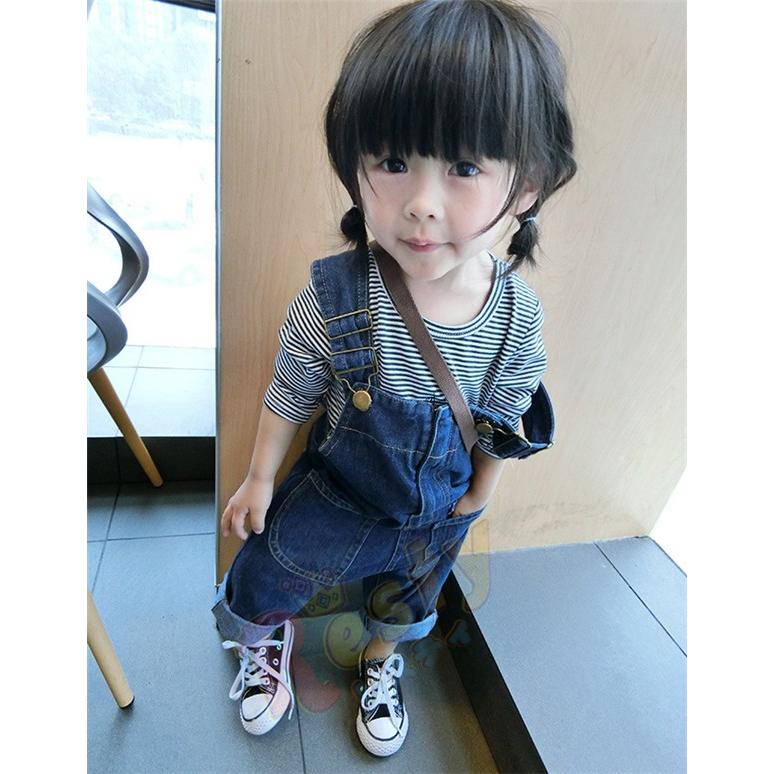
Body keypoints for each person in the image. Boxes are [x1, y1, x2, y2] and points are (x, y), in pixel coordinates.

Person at [213, 0, 576, 758]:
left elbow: (504, 417)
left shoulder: (516, 318)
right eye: (392, 161)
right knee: (272, 566)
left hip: (438, 506)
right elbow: (292, 386)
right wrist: (258, 478)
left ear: (528, 185)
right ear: (355, 168)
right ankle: (265, 641)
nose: (420, 204)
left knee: (408, 597)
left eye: (465, 167)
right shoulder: (338, 295)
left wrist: (481, 493)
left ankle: (380, 662)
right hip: (338, 493)